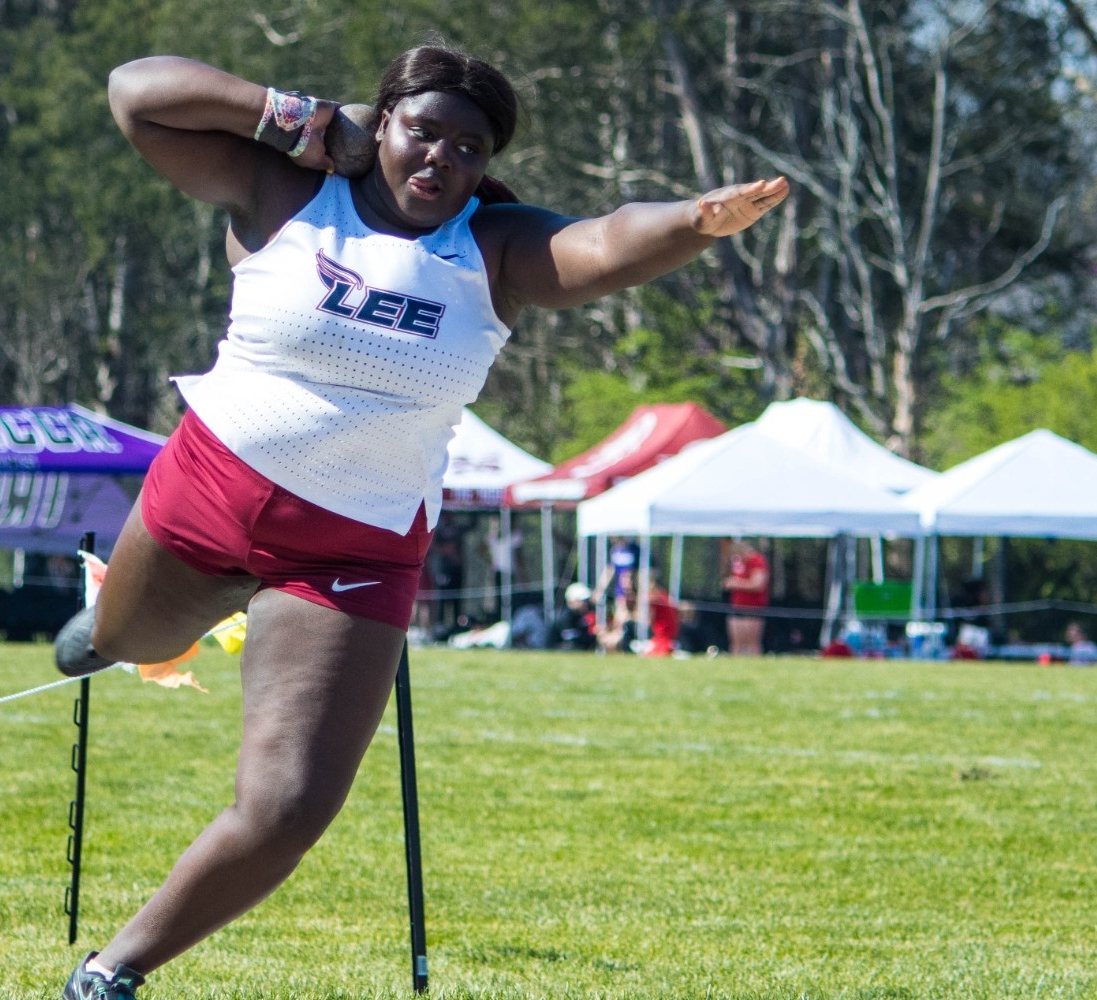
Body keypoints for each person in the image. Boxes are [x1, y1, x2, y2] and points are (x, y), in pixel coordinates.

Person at [50, 48, 786, 997]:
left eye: (469, 148)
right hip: (204, 497)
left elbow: (604, 243)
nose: (443, 159)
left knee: (288, 806)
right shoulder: (287, 191)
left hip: (349, 551)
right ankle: (111, 625)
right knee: (126, 640)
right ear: (383, 122)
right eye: (424, 132)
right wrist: (306, 119)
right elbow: (135, 95)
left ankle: (113, 972)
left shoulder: (495, 247)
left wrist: (694, 221)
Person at [723, 538, 769, 656]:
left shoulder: (757, 561)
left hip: (753, 608)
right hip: (737, 606)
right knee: (736, 643)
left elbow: (758, 584)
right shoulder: (737, 562)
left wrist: (736, 583)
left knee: (752, 644)